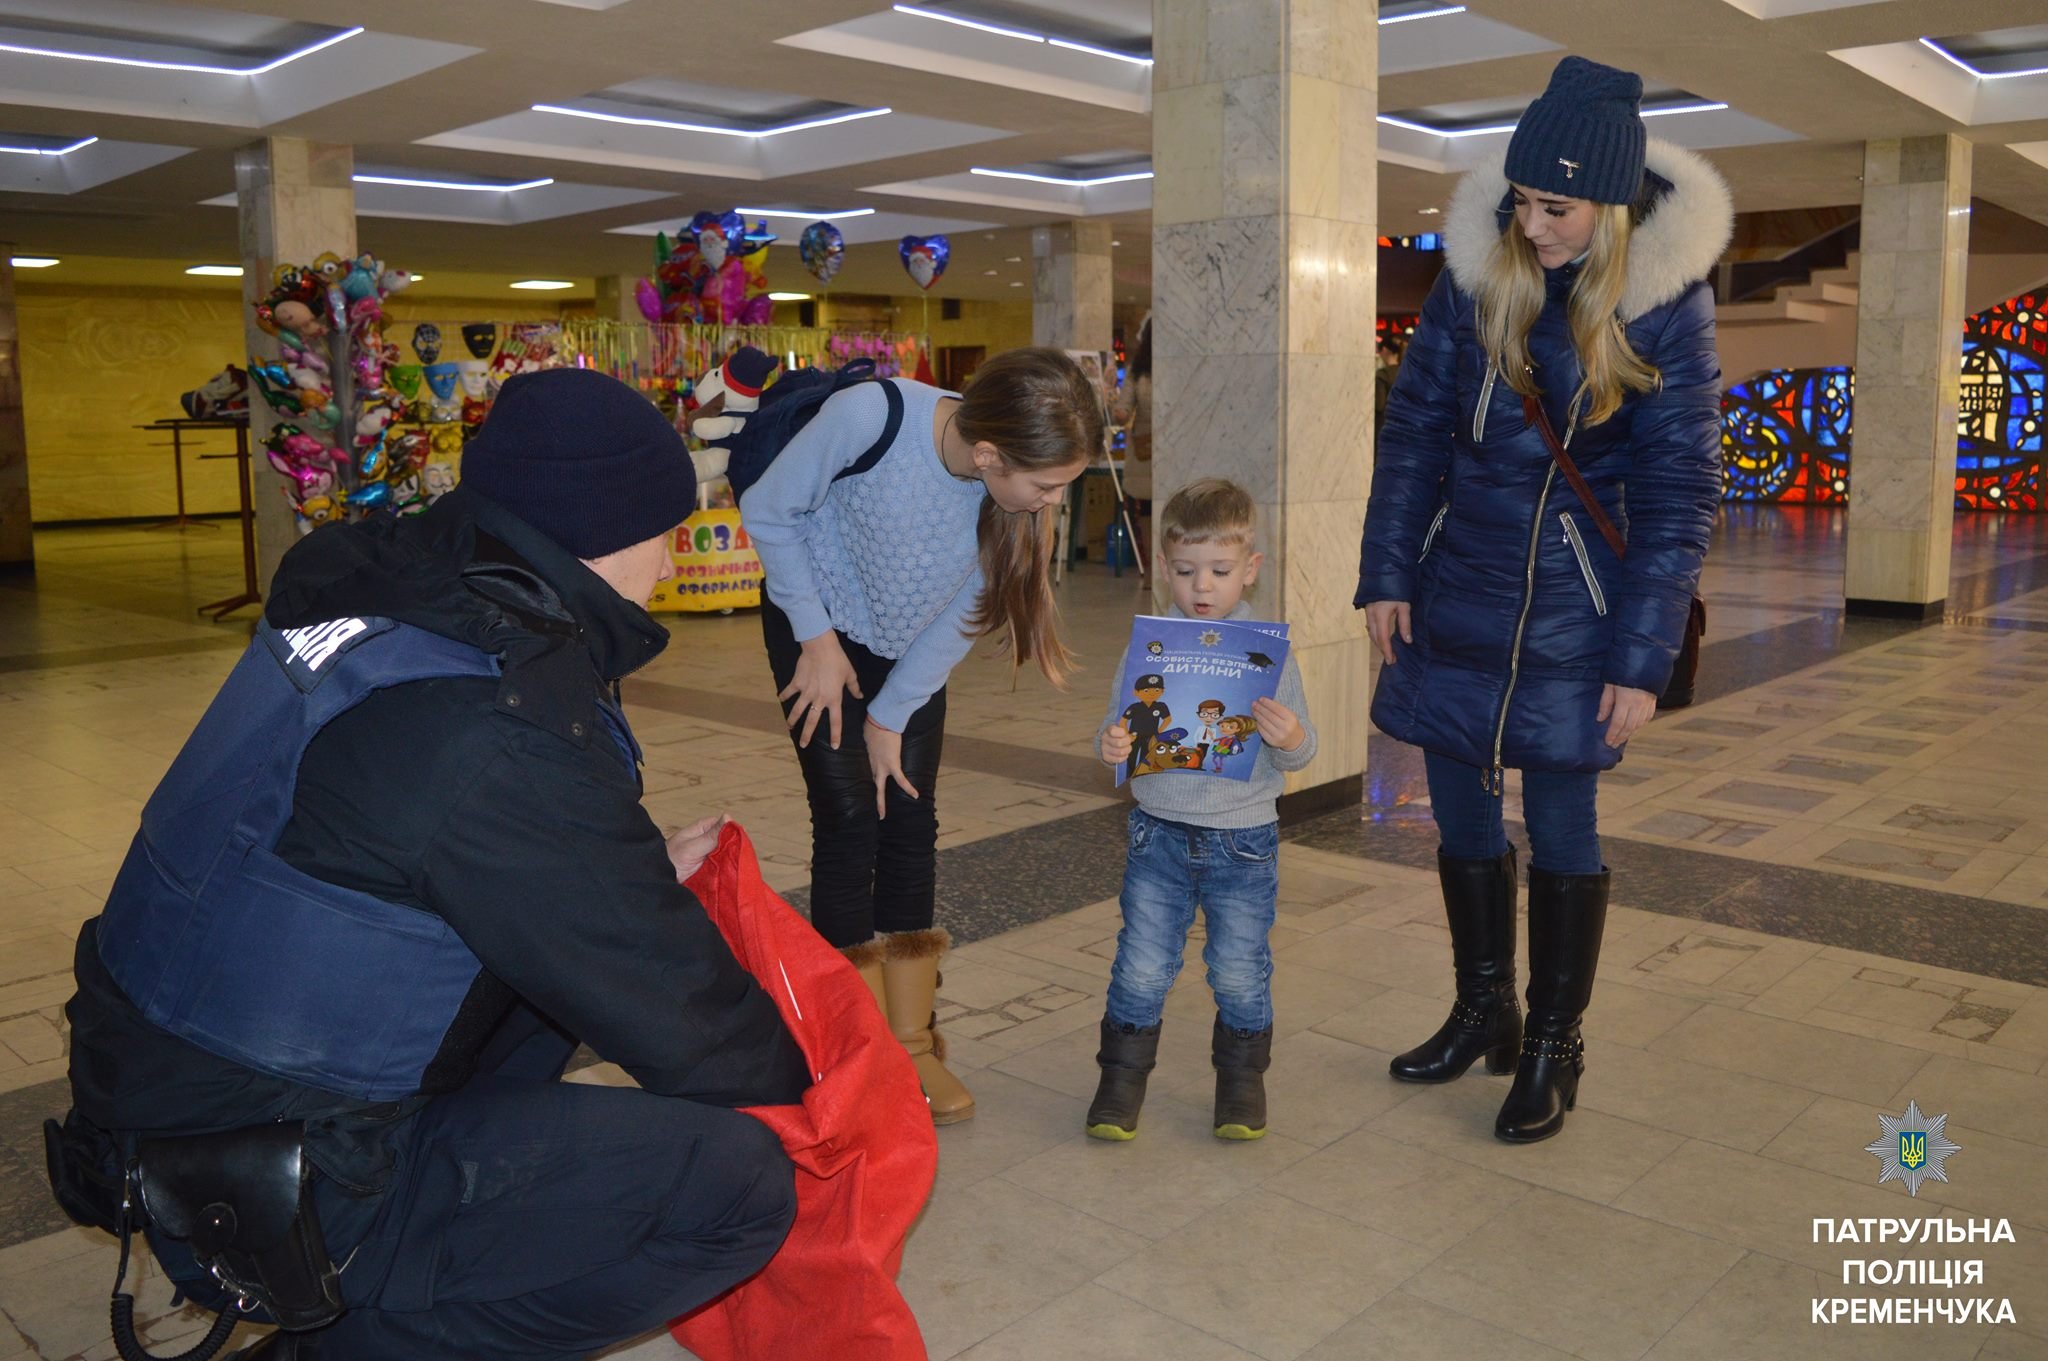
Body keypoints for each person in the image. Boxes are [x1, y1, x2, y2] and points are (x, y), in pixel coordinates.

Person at [57, 368, 813, 1361]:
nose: (673, 557)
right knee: (738, 1185)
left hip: (163, 1087)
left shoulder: (396, 596)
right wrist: (815, 1107)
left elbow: (395, 845)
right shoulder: (490, 721)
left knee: (550, 986)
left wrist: (621, 865)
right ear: (598, 535)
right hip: (270, 1168)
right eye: (666, 531)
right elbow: (669, 996)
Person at [1354, 56, 1727, 1143]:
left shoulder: (1666, 306)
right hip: (1457, 585)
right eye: (1520, 201)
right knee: (1458, 801)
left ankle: (1555, 1042)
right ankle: (1485, 1008)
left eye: (1555, 208)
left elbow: (1677, 493)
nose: (1532, 226)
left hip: (1580, 609)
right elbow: (1413, 435)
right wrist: (1387, 570)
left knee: (1562, 818)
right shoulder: (1472, 279)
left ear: (1609, 206)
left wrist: (1641, 658)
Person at [741, 346, 1104, 1126]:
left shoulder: (1009, 501)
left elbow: (966, 612)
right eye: (1045, 486)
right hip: (816, 625)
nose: (1052, 503)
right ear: (988, 454)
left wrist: (890, 714)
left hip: (909, 649)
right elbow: (769, 509)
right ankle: (853, 1048)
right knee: (847, 819)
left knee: (908, 816)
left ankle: (910, 1042)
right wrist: (815, 639)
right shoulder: (870, 417)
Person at [1091, 479, 1318, 1142]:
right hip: (1157, 834)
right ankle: (1120, 1081)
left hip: (1243, 842)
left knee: (1239, 968)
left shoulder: (1267, 653)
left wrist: (1290, 736)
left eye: (1219, 570)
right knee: (1141, 963)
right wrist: (1112, 745)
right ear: (1165, 566)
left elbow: (1304, 751)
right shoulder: (1149, 648)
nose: (1202, 586)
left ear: (1249, 568)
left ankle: (1241, 1082)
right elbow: (1114, 729)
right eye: (1187, 570)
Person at [1110, 317, 1153, 558]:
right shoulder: (1137, 372)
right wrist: (1119, 413)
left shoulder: (1182, 367)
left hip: (1176, 448)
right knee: (1147, 506)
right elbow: (1123, 407)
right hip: (1145, 449)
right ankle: (1151, 564)